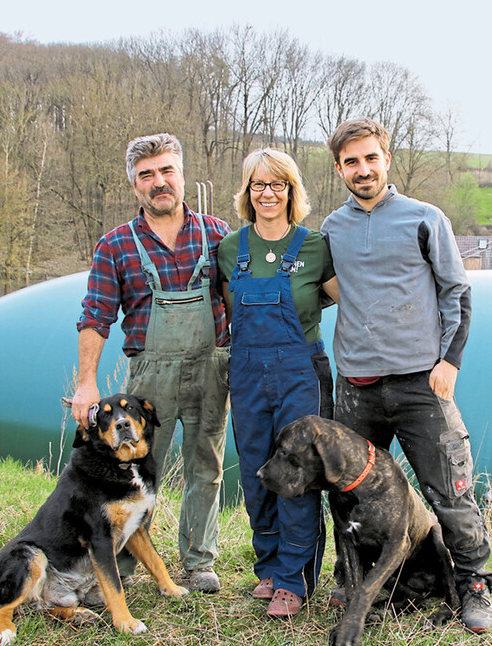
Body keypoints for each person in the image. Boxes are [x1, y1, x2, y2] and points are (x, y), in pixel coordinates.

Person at [320, 118, 492, 633]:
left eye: (371, 158)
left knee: (450, 491)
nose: (363, 169)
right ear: (339, 169)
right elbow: (325, 288)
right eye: (351, 162)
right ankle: (354, 582)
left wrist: (450, 361)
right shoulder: (332, 228)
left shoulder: (425, 219)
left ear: (387, 159)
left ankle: (475, 586)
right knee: (351, 494)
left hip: (423, 385)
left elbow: (457, 293)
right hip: (357, 388)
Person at [71, 132, 230, 594]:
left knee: (206, 465)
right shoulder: (115, 245)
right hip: (149, 378)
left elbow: (240, 305)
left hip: (210, 369)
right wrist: (86, 383)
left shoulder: (218, 235)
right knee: (135, 468)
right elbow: (96, 316)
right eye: (147, 175)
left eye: (167, 171)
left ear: (182, 176)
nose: (159, 182)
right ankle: (122, 561)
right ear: (134, 185)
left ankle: (199, 561)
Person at [218, 148, 338, 618]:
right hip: (247, 372)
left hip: (300, 371)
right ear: (248, 192)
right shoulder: (231, 249)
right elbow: (231, 312)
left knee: (296, 475)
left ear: (292, 190)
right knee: (255, 473)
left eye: (278, 184)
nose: (268, 193)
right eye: (258, 185)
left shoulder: (315, 246)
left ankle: (295, 578)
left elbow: (347, 301)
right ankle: (268, 567)